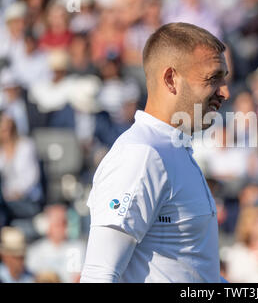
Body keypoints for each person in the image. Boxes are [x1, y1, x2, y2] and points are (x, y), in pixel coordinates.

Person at [80, 22, 230, 283]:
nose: (224, 91)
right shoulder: (141, 155)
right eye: (212, 78)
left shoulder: (173, 149)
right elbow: (99, 275)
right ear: (171, 79)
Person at [26, 204, 86, 283]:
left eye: (64, 223)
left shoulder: (76, 248)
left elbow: (77, 278)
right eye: (58, 224)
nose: (63, 228)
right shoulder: (35, 250)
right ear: (47, 225)